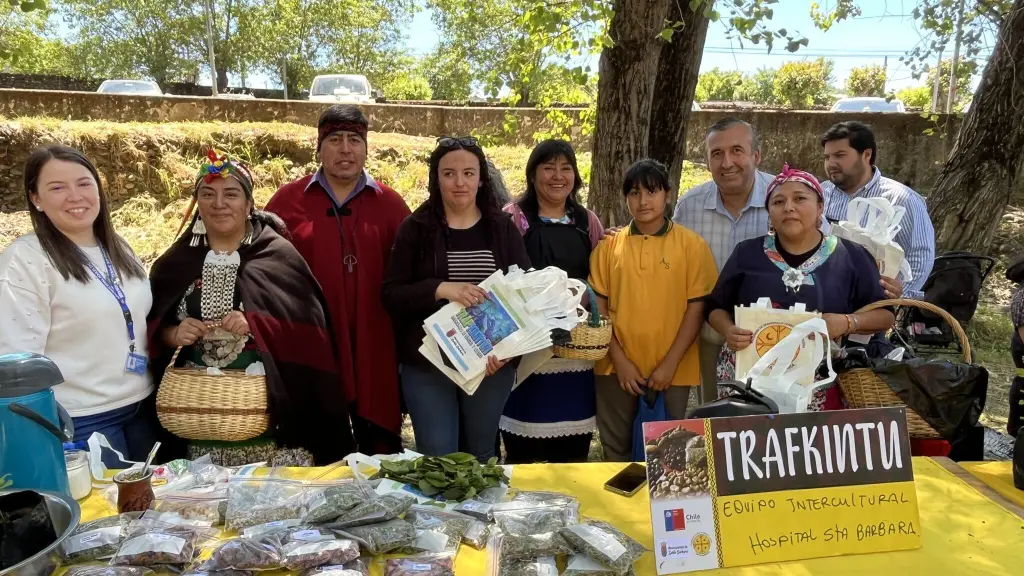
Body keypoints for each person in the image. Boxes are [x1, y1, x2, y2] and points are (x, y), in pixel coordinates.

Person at [147, 151, 355, 466]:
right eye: (208, 194)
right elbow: (151, 330)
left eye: (231, 194)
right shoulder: (175, 264)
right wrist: (172, 334)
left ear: (248, 205)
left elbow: (309, 332)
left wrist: (256, 322)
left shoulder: (277, 256)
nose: (219, 203)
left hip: (273, 425)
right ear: (197, 205)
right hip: (196, 419)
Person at [266, 105, 411, 455]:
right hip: (312, 344)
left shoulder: (391, 205)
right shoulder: (288, 202)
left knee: (380, 457)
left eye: (354, 140)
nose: (345, 149)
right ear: (319, 147)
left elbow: (412, 277)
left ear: (365, 148)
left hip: (376, 345)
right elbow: (263, 270)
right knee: (322, 458)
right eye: (334, 139)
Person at [0, 145, 158, 461]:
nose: (75, 196)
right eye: (57, 187)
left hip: (143, 406)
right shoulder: (27, 259)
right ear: (36, 198)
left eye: (84, 183)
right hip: (81, 420)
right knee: (103, 510)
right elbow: (16, 359)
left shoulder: (118, 248)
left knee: (151, 507)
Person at [382, 136, 531, 461]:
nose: (459, 182)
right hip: (429, 366)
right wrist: (441, 288)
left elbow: (524, 298)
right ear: (436, 179)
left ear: (481, 178)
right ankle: (440, 515)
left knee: (480, 455)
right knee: (439, 456)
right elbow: (392, 295)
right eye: (449, 173)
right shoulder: (416, 228)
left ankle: (480, 514)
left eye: (468, 173)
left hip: (490, 367)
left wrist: (509, 354)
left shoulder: (502, 230)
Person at [704, 164, 895, 410]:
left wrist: (847, 322)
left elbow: (885, 316)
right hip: (750, 379)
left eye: (799, 199)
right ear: (769, 214)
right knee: (757, 445)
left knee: (812, 447)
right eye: (778, 202)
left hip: (823, 382)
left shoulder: (852, 256)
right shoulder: (747, 253)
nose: (789, 207)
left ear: (819, 208)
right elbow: (715, 307)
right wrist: (729, 330)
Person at [589, 159, 717, 462]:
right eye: (634, 193)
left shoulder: (692, 246)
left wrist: (670, 364)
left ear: (668, 195)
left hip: (673, 369)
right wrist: (619, 360)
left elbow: (697, 308)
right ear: (625, 198)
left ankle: (657, 513)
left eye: (652, 191)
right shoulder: (608, 248)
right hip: (615, 368)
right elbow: (600, 312)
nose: (643, 201)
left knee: (667, 455)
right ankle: (616, 510)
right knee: (617, 453)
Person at [499, 139, 605, 464]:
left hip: (576, 351)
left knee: (573, 450)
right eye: (548, 167)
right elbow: (501, 281)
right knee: (523, 451)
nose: (557, 176)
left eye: (565, 168)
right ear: (533, 174)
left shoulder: (587, 221)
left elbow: (601, 275)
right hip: (527, 352)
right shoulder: (513, 218)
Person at [672, 117, 776, 406]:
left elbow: (824, 250)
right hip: (709, 333)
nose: (727, 162)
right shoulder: (690, 207)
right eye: (717, 154)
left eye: (737, 150)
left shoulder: (782, 198)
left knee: (771, 414)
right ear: (707, 162)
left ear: (756, 155)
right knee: (713, 412)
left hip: (771, 336)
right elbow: (668, 254)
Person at [820, 121, 934, 299]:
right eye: (827, 157)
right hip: (824, 299)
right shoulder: (820, 194)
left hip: (876, 305)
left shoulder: (901, 199)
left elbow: (919, 255)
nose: (831, 163)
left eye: (840, 155)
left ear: (866, 154)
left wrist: (897, 297)